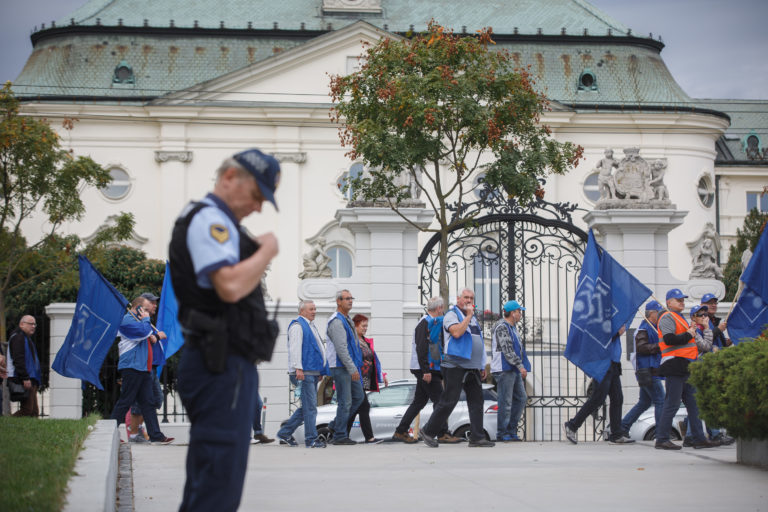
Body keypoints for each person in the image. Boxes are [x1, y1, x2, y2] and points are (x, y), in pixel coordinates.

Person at [169, 148, 280, 511]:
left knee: (209, 482)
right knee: (218, 487)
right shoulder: (210, 219)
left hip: (222, 363)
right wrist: (266, 251)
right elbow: (229, 286)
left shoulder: (214, 220)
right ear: (230, 178)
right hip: (220, 365)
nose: (258, 207)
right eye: (257, 195)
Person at [421, 288, 493, 448]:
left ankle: (477, 437)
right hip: (455, 365)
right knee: (449, 400)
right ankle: (428, 431)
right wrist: (468, 316)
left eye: (471, 298)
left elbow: (478, 340)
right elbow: (456, 333)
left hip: (472, 366)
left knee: (476, 401)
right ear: (459, 299)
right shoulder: (451, 315)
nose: (469, 300)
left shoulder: (473, 319)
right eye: (466, 297)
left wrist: (482, 364)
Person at [654, 289, 718, 450]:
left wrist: (693, 333)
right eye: (678, 300)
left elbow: (698, 344)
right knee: (672, 404)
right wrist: (689, 334)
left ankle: (698, 438)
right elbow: (669, 339)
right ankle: (662, 439)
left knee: (694, 404)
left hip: (687, 365)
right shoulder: (667, 317)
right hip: (675, 364)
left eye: (682, 300)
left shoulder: (679, 317)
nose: (682, 302)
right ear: (669, 302)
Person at [391, 297, 460, 444]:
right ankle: (441, 433)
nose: (443, 310)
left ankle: (401, 431)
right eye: (442, 307)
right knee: (440, 401)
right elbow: (421, 348)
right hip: (426, 369)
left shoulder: (430, 322)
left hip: (427, 368)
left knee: (419, 401)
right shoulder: (425, 323)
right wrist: (425, 370)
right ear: (439, 308)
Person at [109, 297, 172, 444]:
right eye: (145, 309)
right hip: (132, 366)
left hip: (142, 367)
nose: (147, 312)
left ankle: (156, 436)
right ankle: (110, 433)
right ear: (138, 308)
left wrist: (152, 331)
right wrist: (146, 319)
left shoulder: (140, 321)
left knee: (148, 403)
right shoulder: (127, 320)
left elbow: (149, 335)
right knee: (126, 400)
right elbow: (144, 333)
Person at [564, 324, 632, 445]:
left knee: (617, 398)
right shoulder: (601, 318)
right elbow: (599, 337)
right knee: (598, 398)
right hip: (602, 362)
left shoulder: (614, 318)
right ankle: (572, 425)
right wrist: (616, 332)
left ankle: (616, 434)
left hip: (613, 362)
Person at [276, 300, 328, 447]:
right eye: (311, 309)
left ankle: (285, 433)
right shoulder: (297, 326)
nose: (314, 311)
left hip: (311, 372)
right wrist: (298, 368)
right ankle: (311, 439)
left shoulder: (310, 326)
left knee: (307, 407)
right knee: (310, 407)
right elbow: (295, 348)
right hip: (303, 373)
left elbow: (317, 348)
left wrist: (321, 370)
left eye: (315, 309)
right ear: (302, 311)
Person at [620, 300, 665, 437]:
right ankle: (661, 434)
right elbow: (641, 347)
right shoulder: (644, 328)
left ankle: (623, 427)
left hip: (648, 370)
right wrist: (660, 346)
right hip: (649, 371)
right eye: (659, 312)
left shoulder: (652, 328)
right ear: (651, 313)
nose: (661, 315)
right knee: (660, 401)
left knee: (644, 402)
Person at [325, 289, 364, 446]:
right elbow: (341, 349)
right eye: (347, 298)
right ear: (338, 301)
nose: (350, 301)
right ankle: (340, 435)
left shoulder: (347, 319)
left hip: (349, 366)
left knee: (358, 397)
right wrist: (352, 368)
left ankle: (335, 425)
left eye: (351, 298)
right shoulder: (336, 321)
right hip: (341, 366)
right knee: (345, 401)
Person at [491, 300, 531, 442]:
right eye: (519, 311)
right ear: (513, 313)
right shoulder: (502, 327)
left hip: (512, 368)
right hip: (504, 369)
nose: (521, 314)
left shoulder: (512, 328)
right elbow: (508, 350)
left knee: (521, 398)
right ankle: (502, 433)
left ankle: (511, 430)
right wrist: (520, 366)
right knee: (505, 402)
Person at [126, 292, 164, 441]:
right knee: (138, 402)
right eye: (151, 303)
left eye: (155, 303)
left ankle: (140, 430)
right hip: (142, 366)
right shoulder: (139, 320)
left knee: (155, 400)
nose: (155, 305)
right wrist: (158, 336)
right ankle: (135, 433)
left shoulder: (146, 321)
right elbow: (144, 336)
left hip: (151, 366)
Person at [346, 314, 388, 443]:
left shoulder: (366, 341)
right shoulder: (352, 341)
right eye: (363, 326)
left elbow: (374, 360)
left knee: (356, 407)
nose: (365, 328)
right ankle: (368, 437)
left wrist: (382, 375)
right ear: (355, 326)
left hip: (364, 379)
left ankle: (342, 434)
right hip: (355, 379)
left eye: (366, 326)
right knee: (363, 406)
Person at [7, 315, 41, 417]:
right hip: (23, 378)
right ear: (22, 324)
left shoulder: (25, 338)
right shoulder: (18, 337)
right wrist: (25, 378)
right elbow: (18, 359)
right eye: (30, 324)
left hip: (30, 378)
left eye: (34, 324)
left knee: (34, 412)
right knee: (27, 410)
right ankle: (8, 423)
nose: (33, 326)